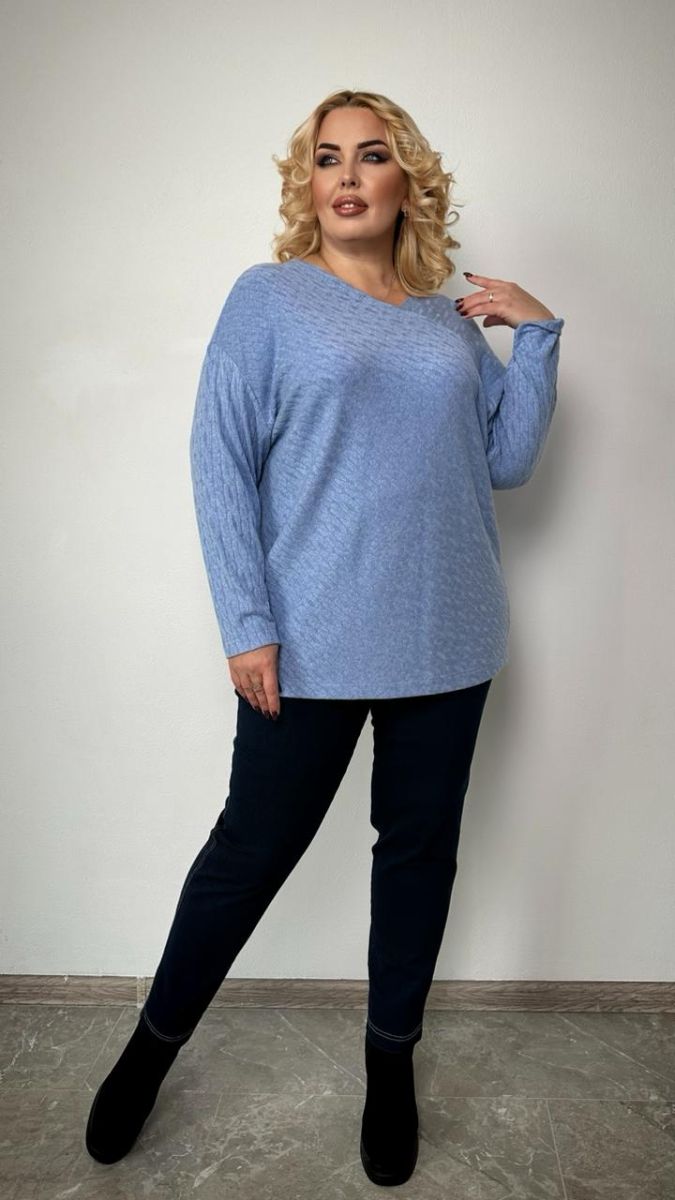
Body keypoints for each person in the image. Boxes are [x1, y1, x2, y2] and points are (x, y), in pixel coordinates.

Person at [85, 88, 564, 1187]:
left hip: (451, 636)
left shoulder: (444, 322)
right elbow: (219, 461)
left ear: (407, 181)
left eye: (372, 155)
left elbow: (505, 462)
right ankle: (149, 1052)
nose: (348, 175)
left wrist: (536, 337)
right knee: (249, 852)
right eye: (328, 157)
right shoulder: (269, 300)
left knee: (418, 855)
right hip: (308, 641)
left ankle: (390, 1067)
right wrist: (248, 625)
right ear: (307, 183)